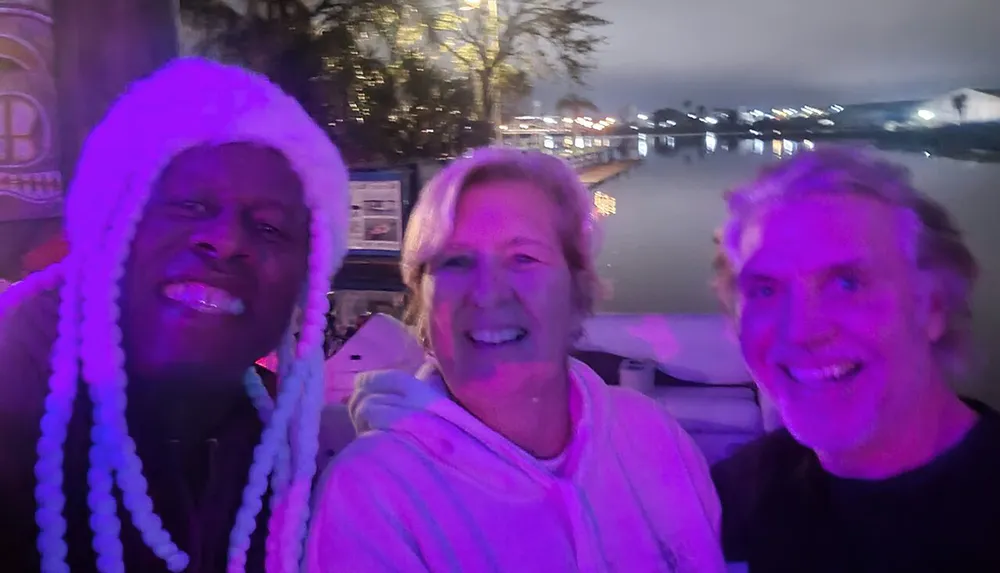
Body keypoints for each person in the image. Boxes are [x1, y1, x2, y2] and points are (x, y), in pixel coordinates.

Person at [0, 57, 350, 573]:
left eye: (270, 228)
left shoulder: (292, 457)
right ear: (111, 225)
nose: (227, 241)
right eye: (190, 206)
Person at [306, 147, 727, 572]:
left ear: (578, 290)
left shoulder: (652, 436)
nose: (488, 292)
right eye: (456, 261)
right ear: (422, 304)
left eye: (523, 258)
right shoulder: (372, 496)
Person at [709, 147, 1000, 572]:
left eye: (847, 283)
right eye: (766, 290)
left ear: (933, 306)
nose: (800, 330)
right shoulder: (724, 503)